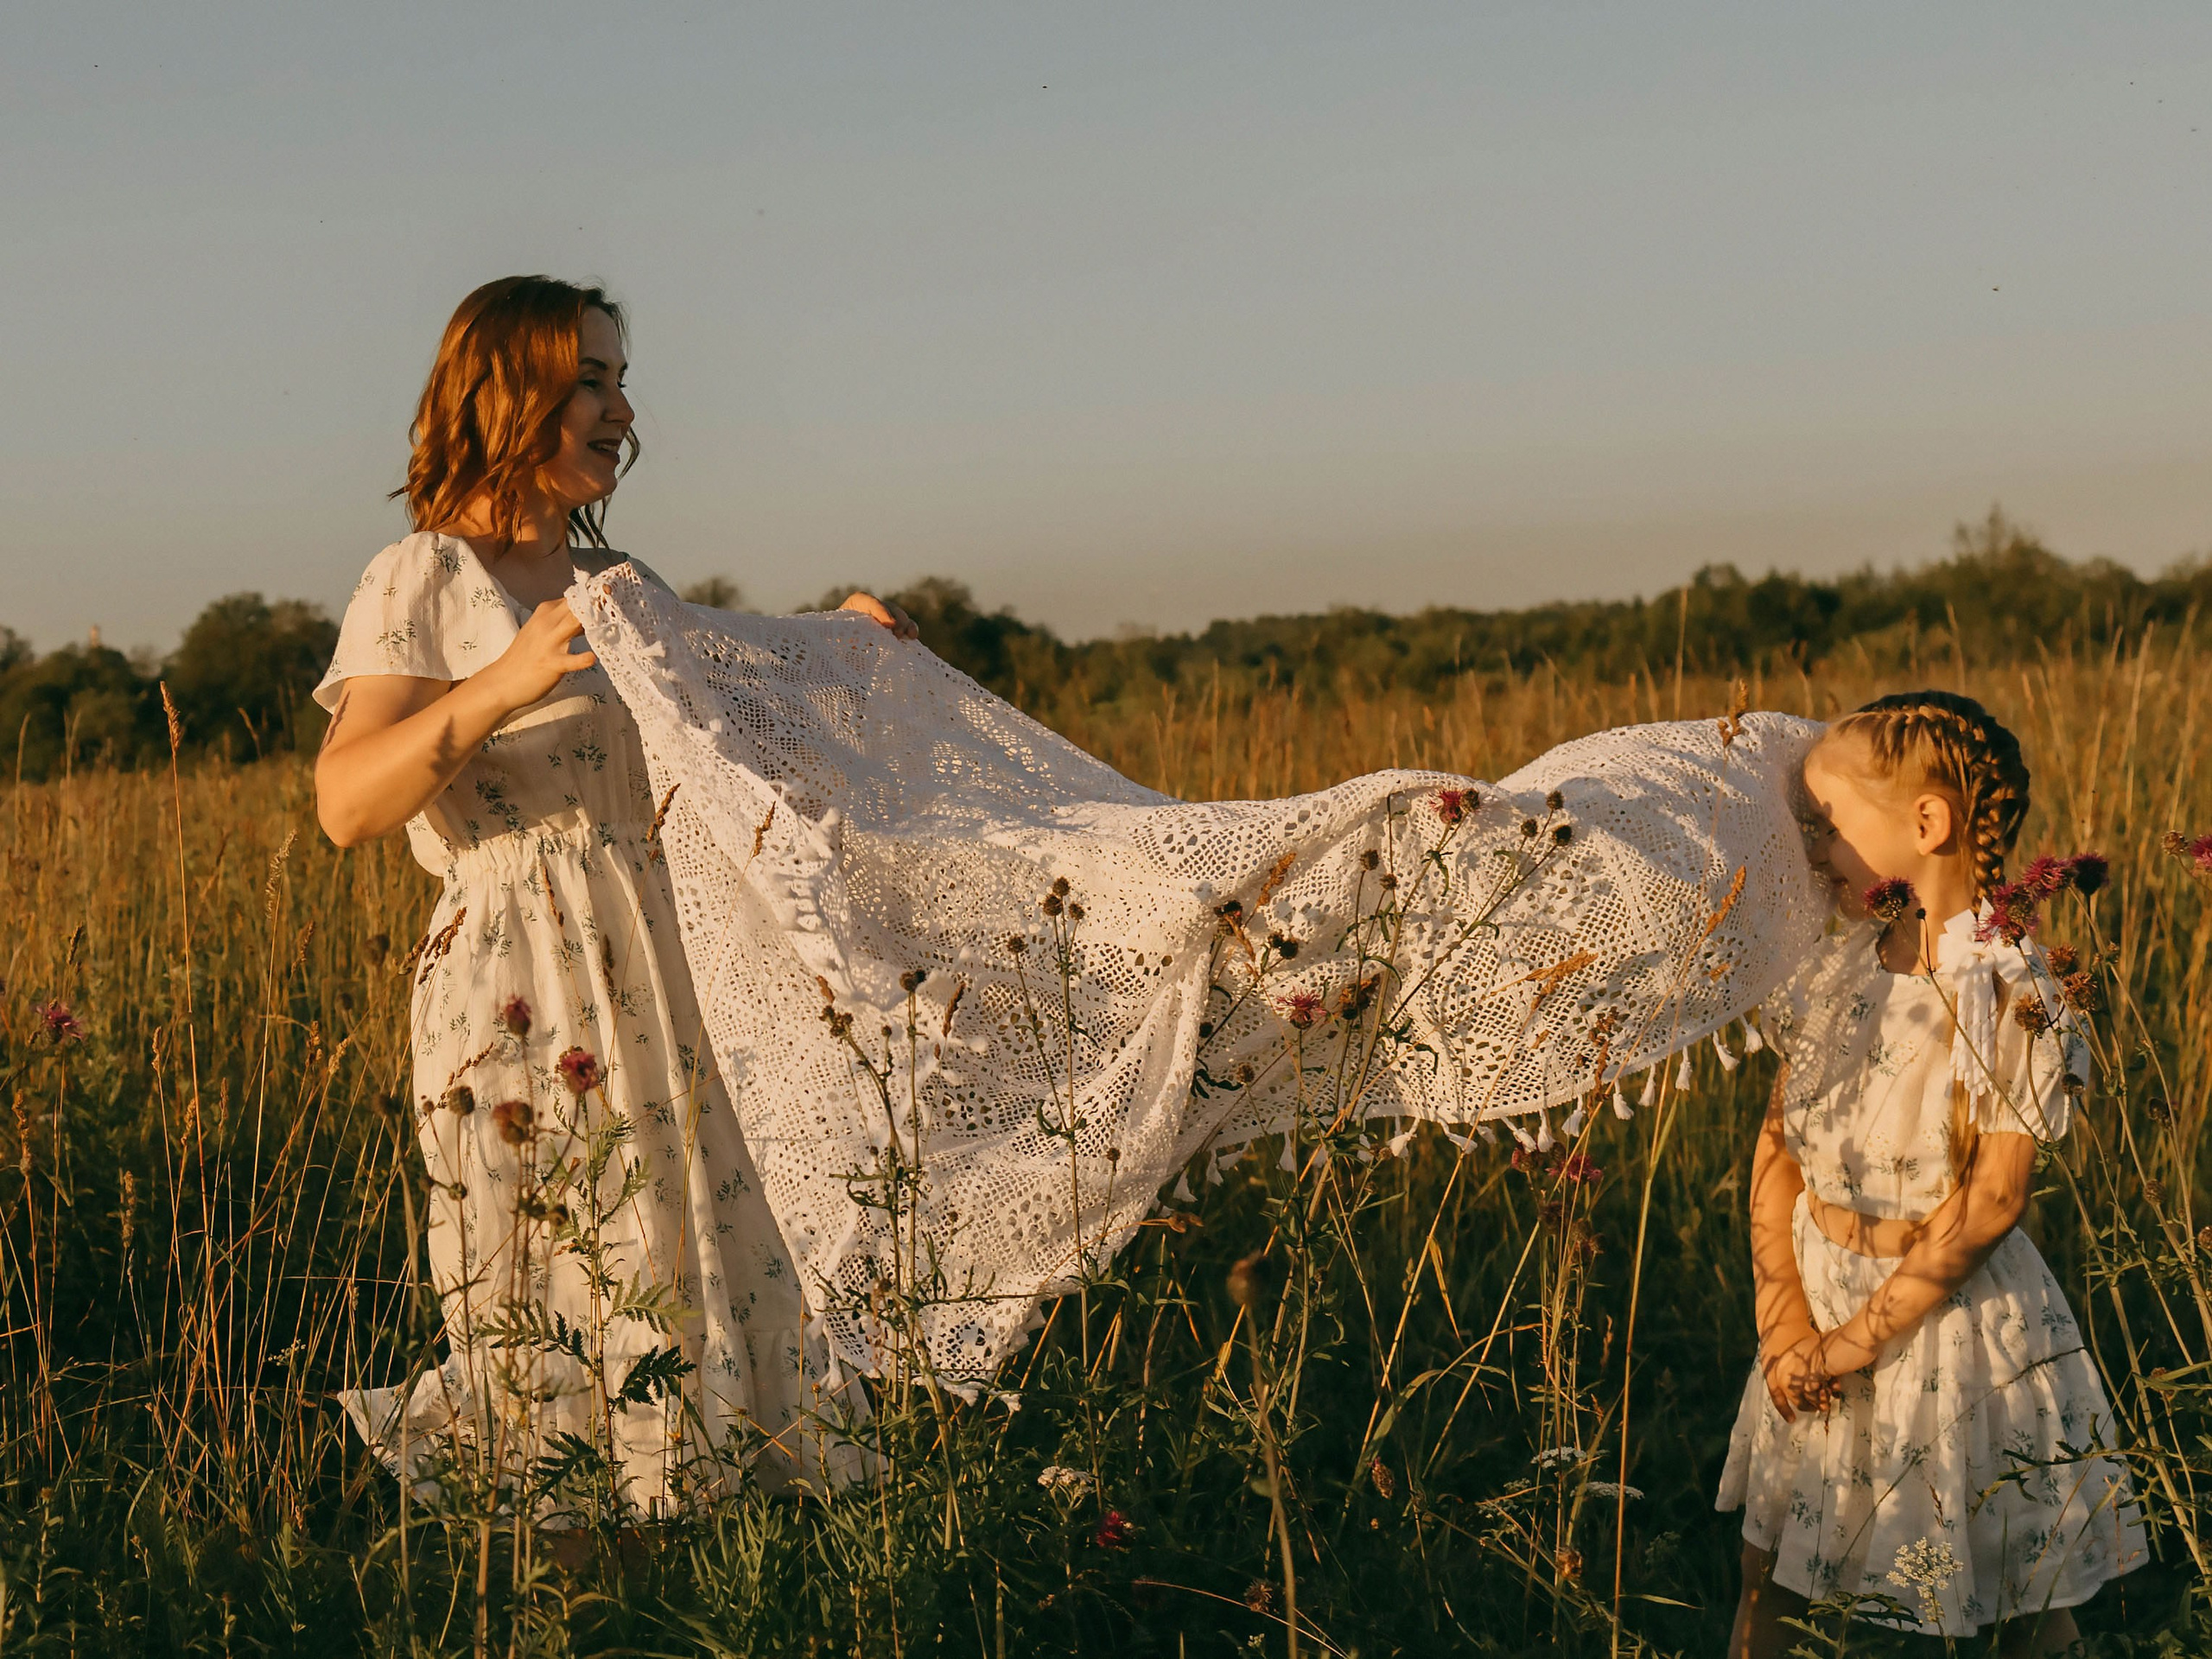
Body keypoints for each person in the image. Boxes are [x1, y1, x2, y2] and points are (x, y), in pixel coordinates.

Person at [313, 275, 911, 1521]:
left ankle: (702, 1552)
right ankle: (563, 1577)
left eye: (619, 379)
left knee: (689, 1264)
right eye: (589, 377)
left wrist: (835, 651)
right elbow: (347, 802)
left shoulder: (621, 578)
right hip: (516, 970)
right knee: (556, 1272)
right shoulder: (421, 574)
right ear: (505, 391)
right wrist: (504, 680)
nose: (620, 407)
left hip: (655, 955)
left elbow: (726, 721)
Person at [1719, 691, 2143, 1656]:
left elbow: (1992, 1199)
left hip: (1948, 1338)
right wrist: (1784, 1310)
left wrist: (1850, 1347)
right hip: (1813, 1302)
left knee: (2010, 1597)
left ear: (1926, 822)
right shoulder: (1836, 970)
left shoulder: (2009, 988)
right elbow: (1776, 1141)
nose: (1814, 848)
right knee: (1775, 1567)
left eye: (1827, 826)